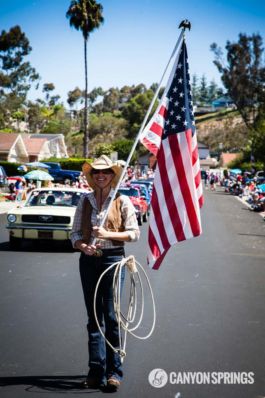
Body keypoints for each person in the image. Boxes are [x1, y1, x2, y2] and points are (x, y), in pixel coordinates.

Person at [70, 155, 140, 391]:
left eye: (106, 172)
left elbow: (133, 234)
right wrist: (83, 246)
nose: (101, 175)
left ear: (112, 176)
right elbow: (75, 234)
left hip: (113, 260)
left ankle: (114, 372)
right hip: (88, 261)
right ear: (92, 176)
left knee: (110, 316)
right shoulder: (85, 200)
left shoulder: (122, 201)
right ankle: (95, 370)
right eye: (97, 172)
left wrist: (107, 235)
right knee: (93, 317)